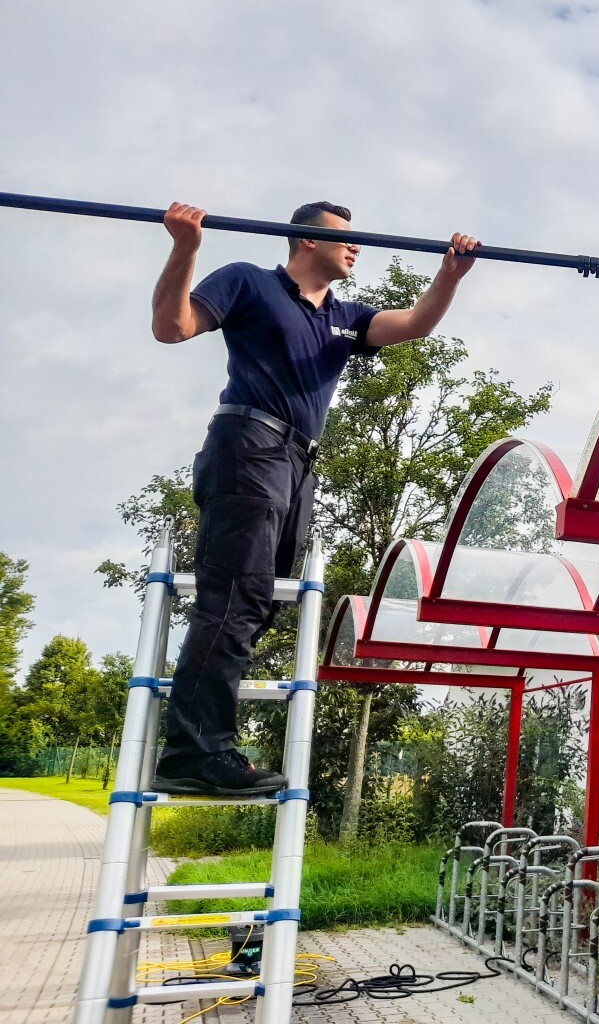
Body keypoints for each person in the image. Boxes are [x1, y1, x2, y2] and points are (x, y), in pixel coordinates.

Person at [148, 200, 481, 795]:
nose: (356, 248)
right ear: (304, 241)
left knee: (261, 600)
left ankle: (204, 743)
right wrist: (185, 248)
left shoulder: (347, 318)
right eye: (344, 239)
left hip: (297, 461)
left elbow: (416, 325)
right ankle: (194, 753)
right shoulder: (248, 281)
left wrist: (449, 275)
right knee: (236, 595)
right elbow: (171, 328)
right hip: (249, 443)